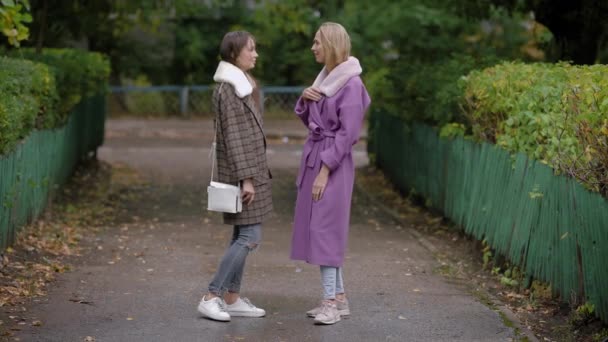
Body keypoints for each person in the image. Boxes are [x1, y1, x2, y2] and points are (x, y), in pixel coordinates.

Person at [290, 22, 371, 325]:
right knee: (321, 228)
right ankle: (339, 298)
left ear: (332, 45)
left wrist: (324, 171)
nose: (313, 48)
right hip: (318, 159)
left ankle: (330, 305)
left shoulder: (350, 85)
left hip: (333, 166)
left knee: (325, 231)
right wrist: (305, 98)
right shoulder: (325, 80)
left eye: (317, 43)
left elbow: (347, 135)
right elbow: (312, 123)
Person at [197, 31, 273, 322]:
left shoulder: (241, 85)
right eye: (250, 50)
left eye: (256, 49)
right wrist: (247, 178)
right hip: (244, 174)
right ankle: (211, 295)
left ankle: (232, 297)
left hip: (249, 171)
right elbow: (235, 137)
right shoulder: (229, 89)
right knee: (250, 237)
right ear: (233, 53)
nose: (255, 54)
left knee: (243, 234)